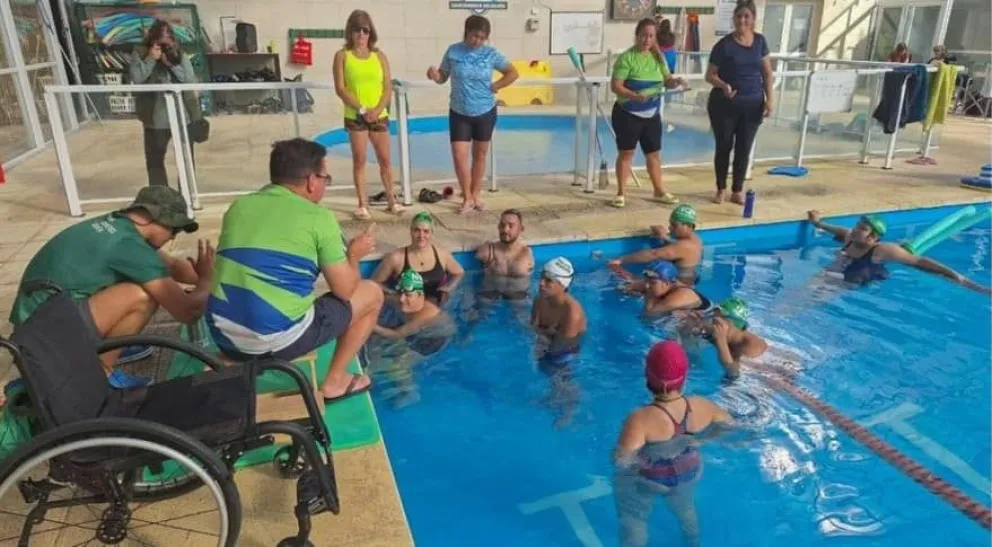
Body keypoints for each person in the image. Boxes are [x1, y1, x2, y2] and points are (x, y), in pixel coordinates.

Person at [205, 138, 384, 403]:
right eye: (325, 178)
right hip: (276, 342)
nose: (324, 185)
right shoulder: (318, 218)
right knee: (372, 293)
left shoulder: (238, 207)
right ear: (311, 181)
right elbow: (345, 291)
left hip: (224, 338)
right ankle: (335, 382)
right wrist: (354, 256)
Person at [9, 186, 212, 388]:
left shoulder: (118, 227)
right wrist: (206, 282)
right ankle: (101, 374)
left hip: (37, 321)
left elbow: (172, 267)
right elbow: (189, 312)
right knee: (142, 295)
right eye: (173, 229)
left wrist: (212, 273)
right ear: (151, 218)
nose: (173, 237)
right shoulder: (128, 246)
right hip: (44, 339)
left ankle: (111, 344)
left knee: (144, 281)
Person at [614, 340, 733, 547]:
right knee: (686, 509)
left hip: (652, 479)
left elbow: (621, 459)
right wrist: (702, 440)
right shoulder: (701, 405)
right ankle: (693, 541)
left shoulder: (640, 419)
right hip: (689, 472)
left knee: (634, 517)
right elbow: (729, 425)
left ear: (647, 376)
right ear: (685, 377)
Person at [427, 15, 519, 214]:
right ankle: (467, 197)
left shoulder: (491, 53)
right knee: (459, 155)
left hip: (485, 111)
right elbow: (443, 77)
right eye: (475, 36)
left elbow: (513, 73)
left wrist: (496, 86)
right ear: (466, 32)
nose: (478, 41)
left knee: (479, 155)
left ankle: (475, 195)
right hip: (459, 112)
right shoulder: (453, 51)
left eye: (482, 38)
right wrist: (434, 75)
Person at [807, 210, 991, 294]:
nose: (855, 230)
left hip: (854, 281)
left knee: (814, 296)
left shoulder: (882, 250)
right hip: (835, 272)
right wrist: (817, 223)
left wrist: (959, 277)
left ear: (873, 237)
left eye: (861, 228)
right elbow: (834, 229)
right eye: (857, 226)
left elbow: (920, 262)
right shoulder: (850, 238)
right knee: (808, 289)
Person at [333, 10, 403, 220]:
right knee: (360, 160)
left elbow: (387, 86)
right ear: (350, 32)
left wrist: (378, 109)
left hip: (379, 114)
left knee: (385, 160)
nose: (361, 34)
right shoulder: (342, 56)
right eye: (357, 30)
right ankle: (363, 204)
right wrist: (362, 109)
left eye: (365, 30)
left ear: (371, 32)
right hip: (356, 115)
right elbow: (341, 89)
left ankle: (392, 201)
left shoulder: (379, 56)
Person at [609, 18, 687, 209]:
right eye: (644, 35)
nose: (647, 40)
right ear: (637, 36)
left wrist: (676, 82)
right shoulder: (627, 58)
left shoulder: (658, 58)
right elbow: (616, 86)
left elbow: (667, 80)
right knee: (627, 153)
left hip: (651, 114)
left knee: (653, 154)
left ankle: (659, 191)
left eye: (651, 36)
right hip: (627, 113)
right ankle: (621, 193)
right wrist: (634, 96)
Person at [704, 0, 774, 206]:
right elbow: (710, 75)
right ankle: (721, 188)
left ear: (753, 19)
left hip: (752, 106)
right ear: (733, 18)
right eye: (738, 16)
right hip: (724, 106)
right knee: (724, 146)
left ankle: (737, 189)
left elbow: (767, 73)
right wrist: (723, 85)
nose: (742, 20)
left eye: (746, 16)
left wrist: (770, 99)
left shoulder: (760, 42)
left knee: (744, 147)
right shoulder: (724, 45)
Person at [370, 270, 455, 408]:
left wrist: (370, 324)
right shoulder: (402, 300)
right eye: (400, 293)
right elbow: (381, 296)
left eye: (408, 295)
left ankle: (411, 393)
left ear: (420, 295)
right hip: (414, 332)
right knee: (379, 344)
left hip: (434, 338)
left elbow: (396, 334)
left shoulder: (425, 315)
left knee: (398, 364)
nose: (402, 299)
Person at [130, 19, 199, 188]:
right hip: (154, 118)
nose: (164, 44)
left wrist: (172, 64)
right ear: (152, 39)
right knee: (155, 160)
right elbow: (136, 79)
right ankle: (160, 194)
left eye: (168, 38)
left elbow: (189, 79)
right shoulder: (141, 52)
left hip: (182, 115)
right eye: (160, 39)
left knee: (186, 158)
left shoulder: (177, 51)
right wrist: (150, 59)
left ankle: (187, 193)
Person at [532, 257, 587, 427]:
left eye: (548, 281)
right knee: (549, 376)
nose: (541, 283)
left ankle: (570, 410)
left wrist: (544, 336)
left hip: (565, 351)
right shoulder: (539, 299)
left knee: (561, 379)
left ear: (563, 285)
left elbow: (560, 346)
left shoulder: (572, 312)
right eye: (541, 277)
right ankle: (552, 398)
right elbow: (532, 328)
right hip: (547, 345)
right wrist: (546, 334)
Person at [371, 212, 465, 305]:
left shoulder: (441, 254)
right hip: (407, 308)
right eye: (417, 230)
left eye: (426, 231)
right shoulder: (396, 258)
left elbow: (459, 272)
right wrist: (393, 294)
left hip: (435, 306)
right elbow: (374, 282)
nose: (421, 235)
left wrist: (449, 287)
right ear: (411, 231)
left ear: (431, 233)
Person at [608, 204, 703, 285]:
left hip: (676, 286)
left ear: (688, 226)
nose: (669, 228)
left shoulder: (684, 246)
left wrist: (621, 259)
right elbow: (677, 250)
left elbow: (653, 254)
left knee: (627, 281)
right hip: (688, 281)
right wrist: (664, 238)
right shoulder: (696, 239)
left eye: (674, 225)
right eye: (670, 224)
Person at [680, 296, 766, 379]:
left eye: (715, 320)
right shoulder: (729, 336)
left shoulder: (751, 345)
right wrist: (696, 324)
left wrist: (720, 340)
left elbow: (733, 372)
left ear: (730, 322)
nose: (713, 324)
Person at [610, 260, 714, 317]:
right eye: (646, 281)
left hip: (706, 319)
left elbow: (648, 316)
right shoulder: (654, 282)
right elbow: (621, 287)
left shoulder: (683, 294)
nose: (647, 285)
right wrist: (631, 291)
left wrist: (648, 295)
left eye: (652, 283)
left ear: (667, 283)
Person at [475, 208, 534, 301]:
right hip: (490, 293)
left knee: (520, 307)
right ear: (498, 227)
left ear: (521, 229)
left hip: (518, 295)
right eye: (502, 225)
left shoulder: (526, 254)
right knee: (483, 304)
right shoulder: (488, 251)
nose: (505, 230)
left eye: (511, 226)